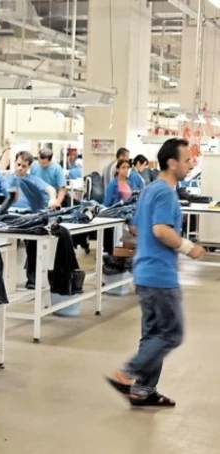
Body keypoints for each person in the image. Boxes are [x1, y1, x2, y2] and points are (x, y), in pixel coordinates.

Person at [107, 138, 204, 407]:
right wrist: (188, 248)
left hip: (146, 272)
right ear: (172, 163)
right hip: (159, 277)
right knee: (172, 334)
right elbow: (160, 230)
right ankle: (127, 373)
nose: (190, 165)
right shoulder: (165, 193)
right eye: (187, 160)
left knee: (153, 335)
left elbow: (138, 228)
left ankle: (144, 390)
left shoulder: (149, 190)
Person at [13, 151, 59, 289]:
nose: (20, 168)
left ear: (29, 167)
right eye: (18, 164)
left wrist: (52, 199)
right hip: (10, 217)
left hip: (29, 217)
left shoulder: (33, 180)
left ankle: (32, 279)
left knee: (32, 248)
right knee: (6, 248)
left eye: (24, 166)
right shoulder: (6, 180)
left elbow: (50, 189)